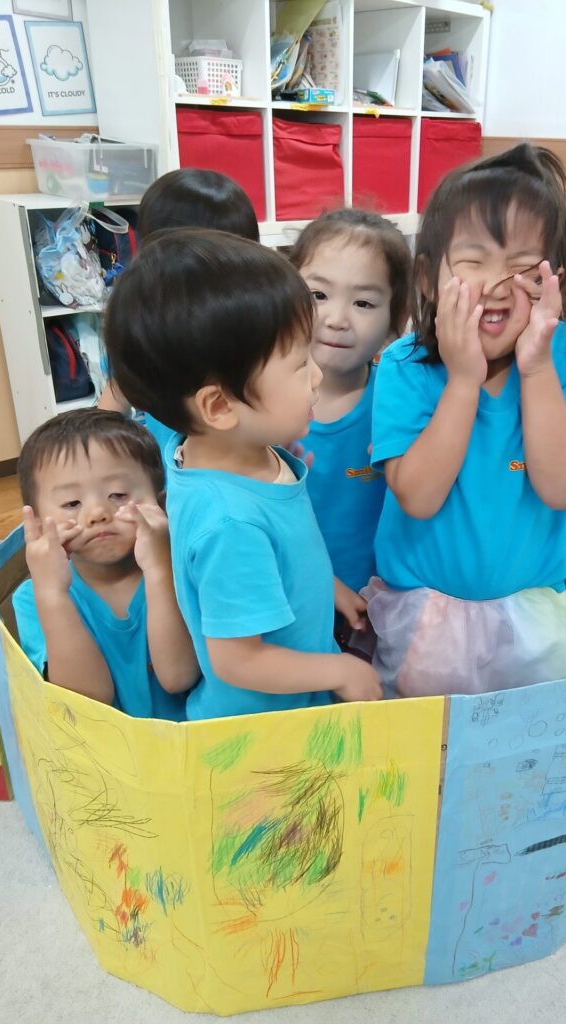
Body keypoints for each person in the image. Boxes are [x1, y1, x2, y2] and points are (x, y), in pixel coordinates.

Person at [365, 142, 566, 698]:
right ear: (428, 278)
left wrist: (536, 369)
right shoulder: (406, 364)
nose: (498, 283)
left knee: (536, 740)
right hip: (426, 610)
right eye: (474, 259)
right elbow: (418, 497)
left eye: (523, 264)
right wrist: (464, 379)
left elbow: (562, 488)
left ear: (554, 281)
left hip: (534, 615)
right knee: (431, 740)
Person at [103, 228, 383, 720]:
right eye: (299, 364)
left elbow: (285, 554)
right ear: (219, 407)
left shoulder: (235, 452)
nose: (317, 374)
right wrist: (340, 671)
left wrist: (328, 586)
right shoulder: (230, 523)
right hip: (262, 731)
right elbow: (238, 661)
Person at [12, 409, 199, 719]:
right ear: (38, 522)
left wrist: (159, 568)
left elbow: (179, 676)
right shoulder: (34, 598)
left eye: (118, 494)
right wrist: (52, 594)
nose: (98, 513)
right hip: (97, 747)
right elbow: (88, 703)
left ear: (161, 503)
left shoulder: (181, 571)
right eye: (72, 503)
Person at [288, 209, 412, 641]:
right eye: (318, 294)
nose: (337, 318)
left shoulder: (400, 406)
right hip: (285, 607)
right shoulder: (256, 408)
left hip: (377, 616)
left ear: (397, 320)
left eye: (363, 303)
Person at [97, 167, 260, 454]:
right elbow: (112, 403)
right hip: (172, 467)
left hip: (241, 464)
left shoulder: (258, 324)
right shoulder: (145, 327)